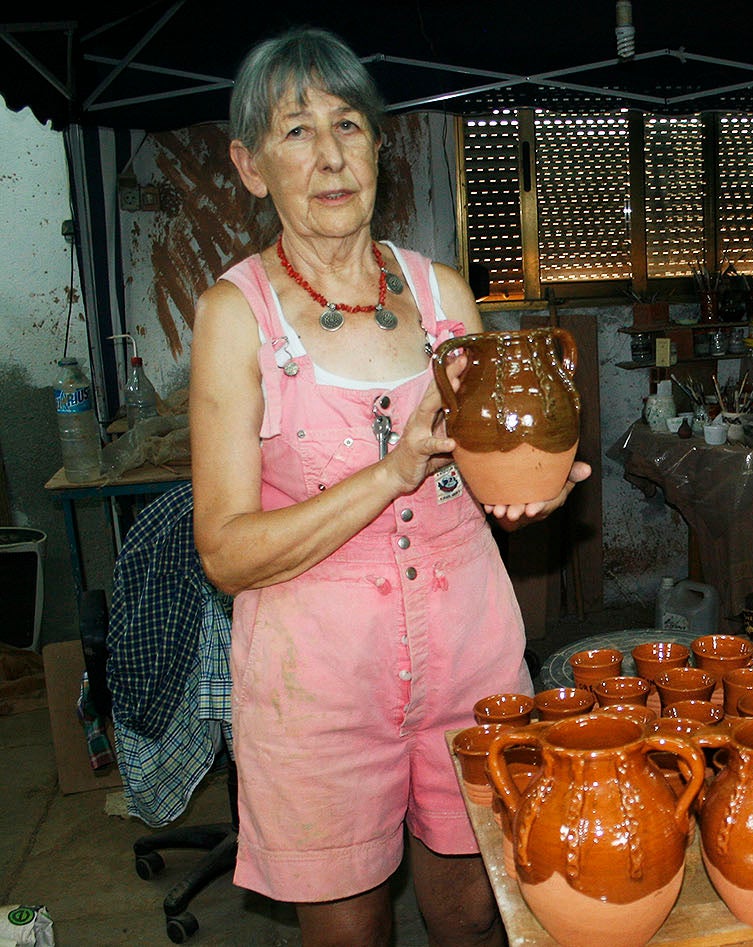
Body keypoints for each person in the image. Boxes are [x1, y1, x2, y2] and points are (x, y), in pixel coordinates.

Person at [190, 27, 588, 947]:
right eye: (296, 132)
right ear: (251, 167)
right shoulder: (233, 316)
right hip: (316, 684)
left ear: (378, 146)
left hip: (470, 657)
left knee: (476, 918)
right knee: (349, 935)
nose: (329, 156)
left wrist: (527, 492)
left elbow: (487, 473)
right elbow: (225, 550)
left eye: (349, 125)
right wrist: (392, 470)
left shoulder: (443, 294)